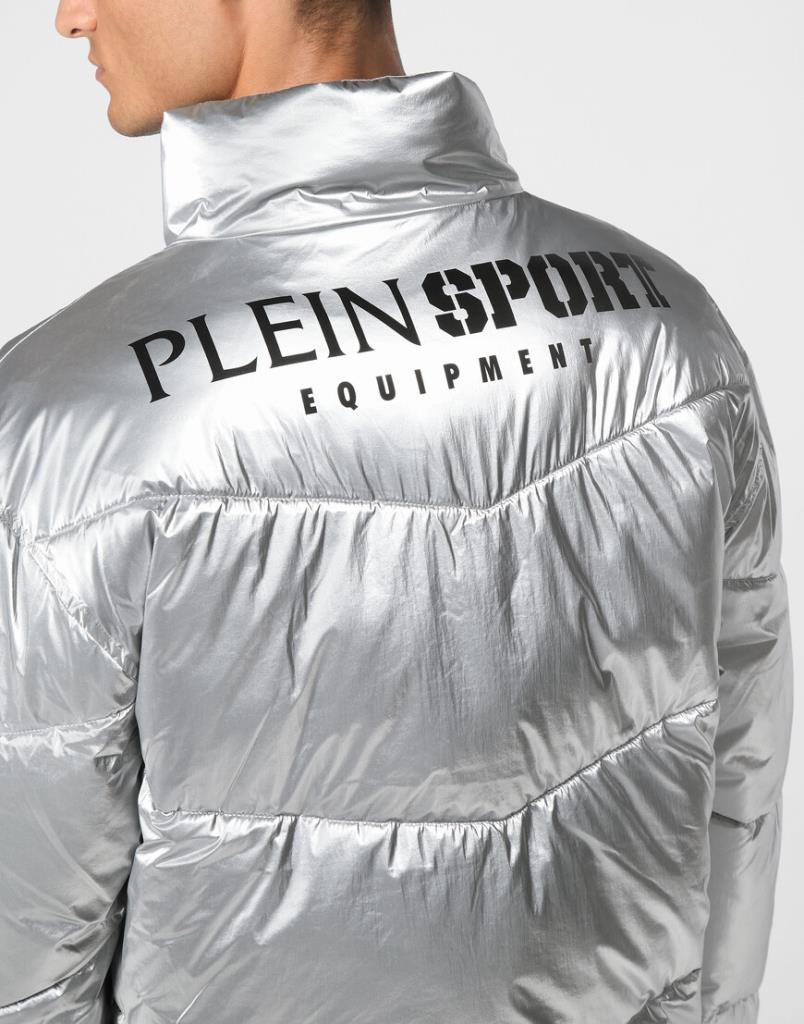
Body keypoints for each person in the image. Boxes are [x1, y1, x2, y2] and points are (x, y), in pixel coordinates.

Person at [0, 1, 793, 1022]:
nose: (70, 16)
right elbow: (737, 806)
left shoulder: (68, 418)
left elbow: (24, 961)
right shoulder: (674, 333)